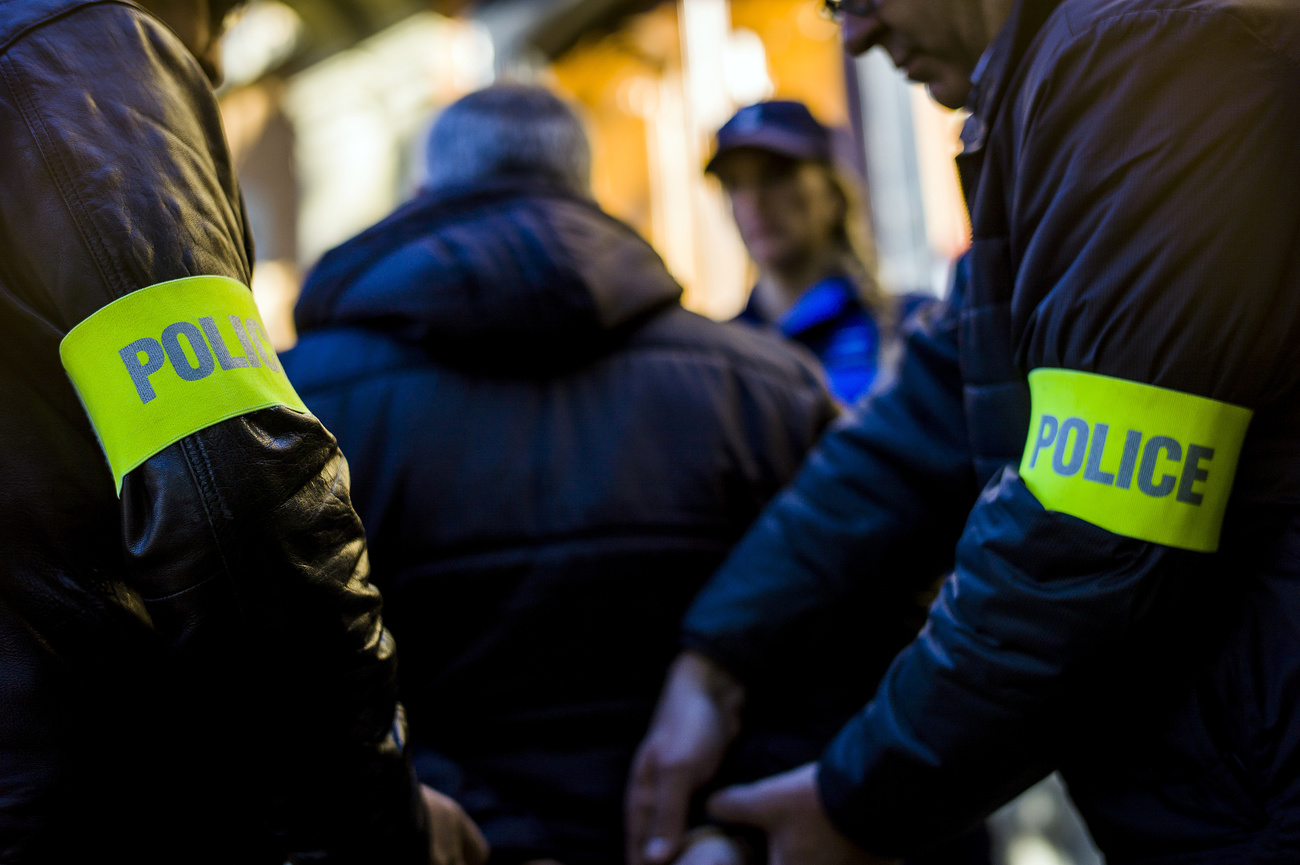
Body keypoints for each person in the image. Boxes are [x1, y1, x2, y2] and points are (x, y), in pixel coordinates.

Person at [627, 0, 1300, 862]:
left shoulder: (1134, 58)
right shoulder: (1056, 95)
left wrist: (856, 799)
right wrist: (715, 654)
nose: (856, 34)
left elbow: (1079, 525)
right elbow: (911, 435)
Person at [281, 84, 838, 865]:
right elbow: (855, 628)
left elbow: (273, 671)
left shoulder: (294, 410)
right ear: (585, 192)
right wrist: (726, 823)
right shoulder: (772, 387)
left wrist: (472, 828)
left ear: (424, 196)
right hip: (699, 841)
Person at [0, 1, 486, 862]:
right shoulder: (78, 59)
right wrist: (378, 816)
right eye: (226, 8)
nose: (217, 61)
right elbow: (233, 493)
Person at [708, 101, 929, 406]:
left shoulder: (913, 327)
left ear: (834, 192)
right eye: (733, 184)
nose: (753, 201)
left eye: (776, 175)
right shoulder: (721, 355)